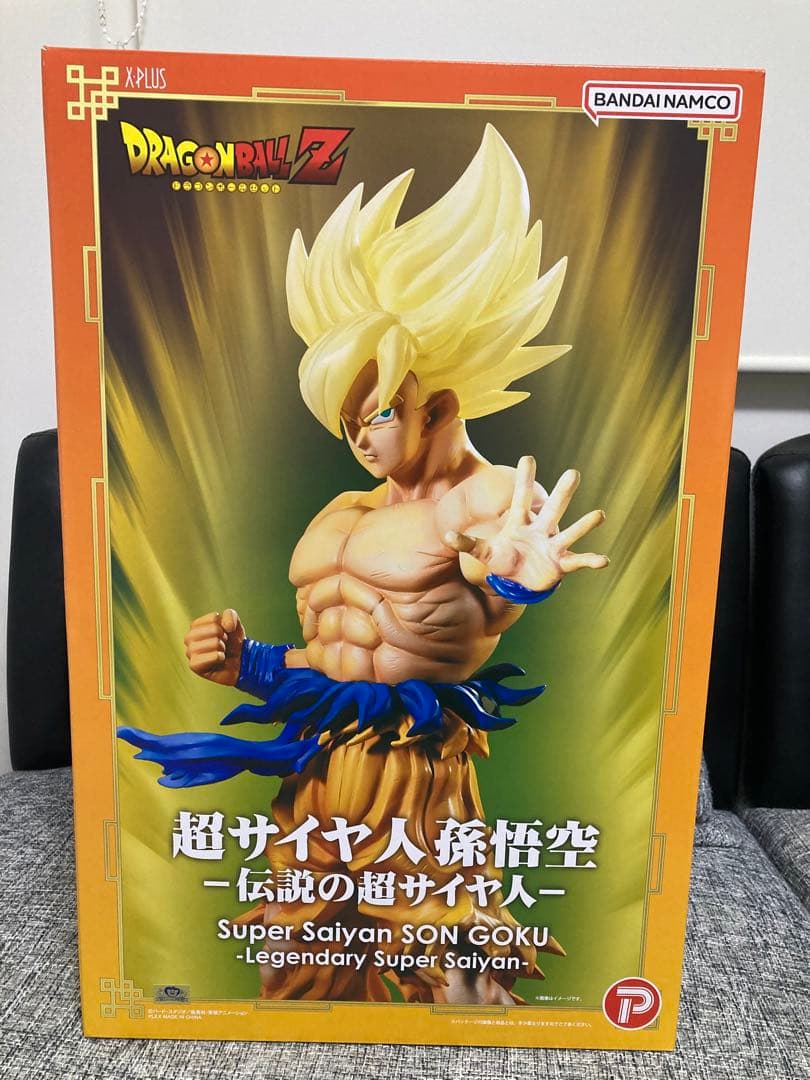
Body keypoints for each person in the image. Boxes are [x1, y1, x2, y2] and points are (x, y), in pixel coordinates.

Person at [120, 124, 608, 1005]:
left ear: (438, 406)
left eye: (376, 412)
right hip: (317, 764)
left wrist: (512, 581)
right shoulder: (342, 512)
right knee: (295, 965)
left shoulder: (486, 498)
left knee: (456, 971)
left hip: (414, 769)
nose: (360, 437)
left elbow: (491, 593)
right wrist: (245, 664)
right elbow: (335, 656)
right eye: (347, 422)